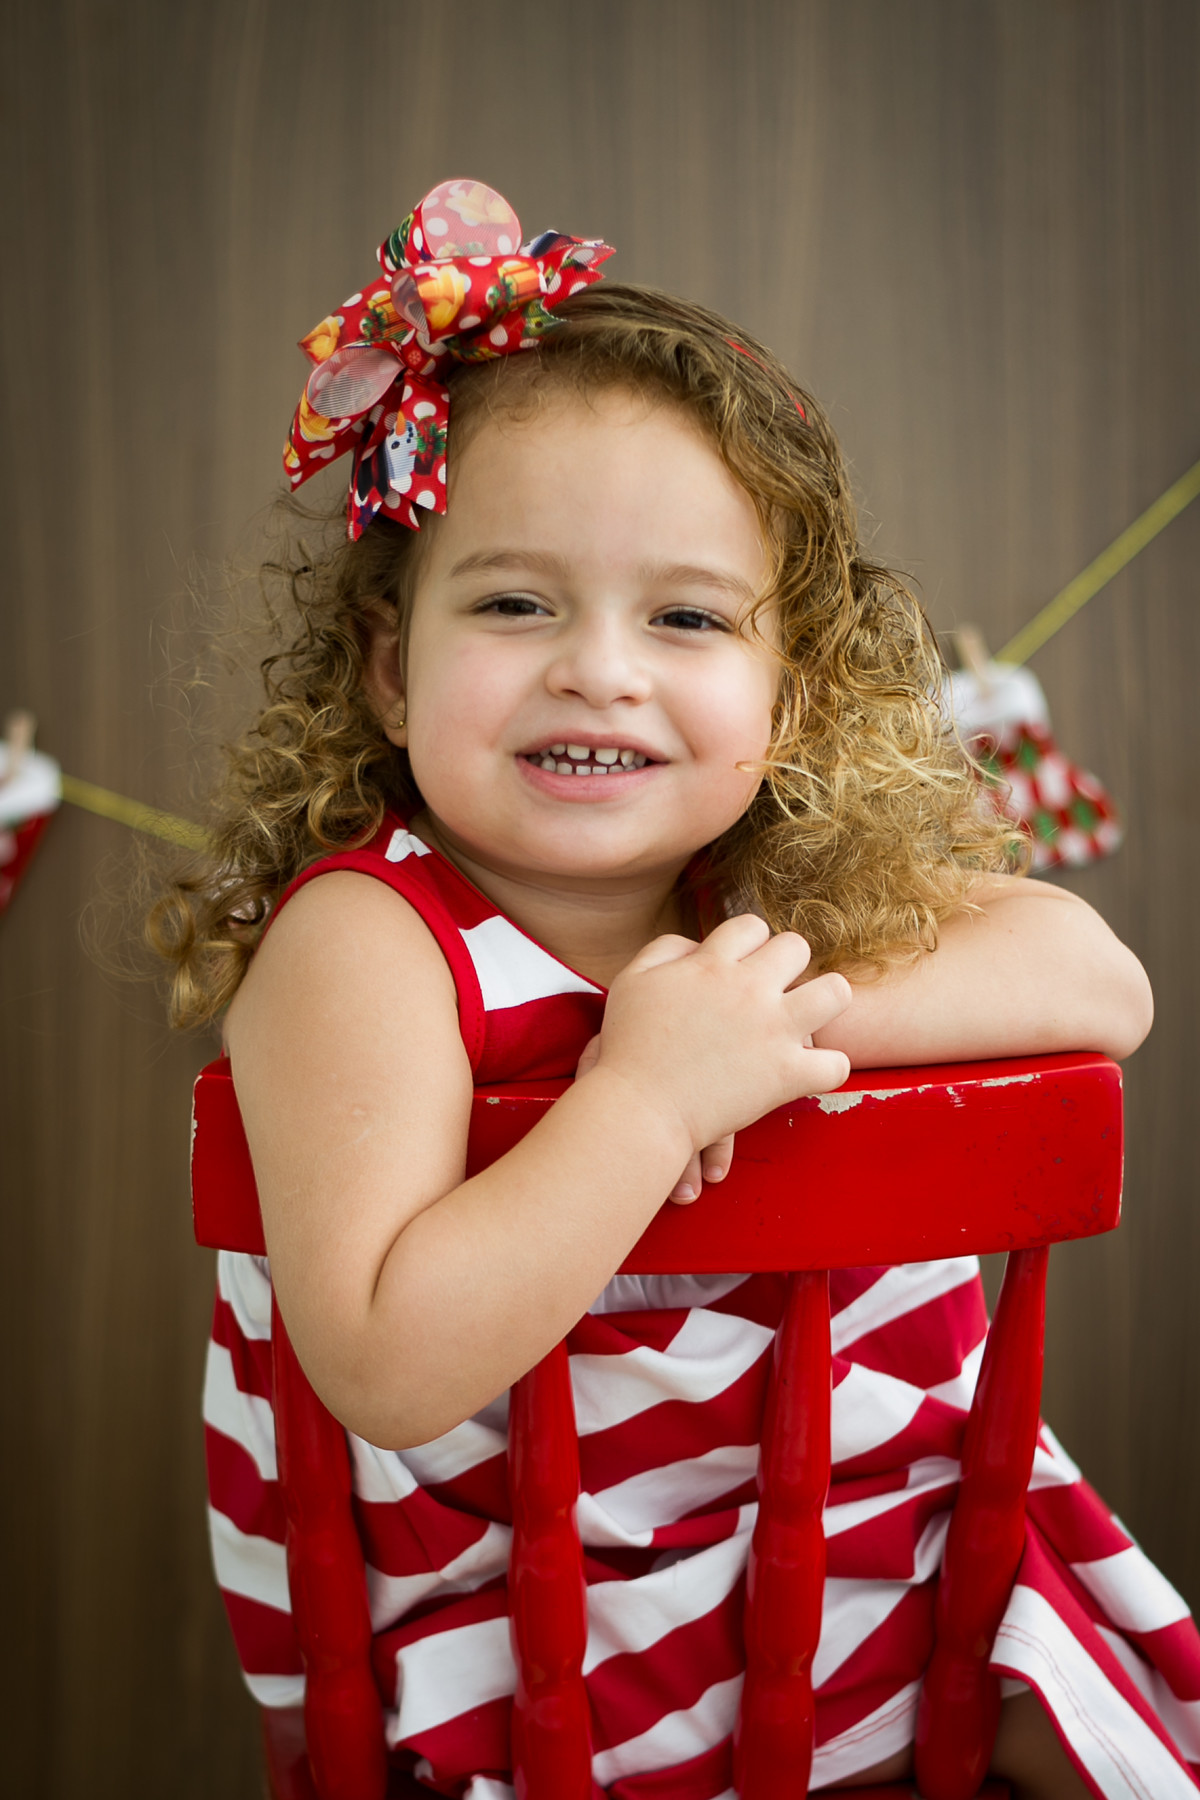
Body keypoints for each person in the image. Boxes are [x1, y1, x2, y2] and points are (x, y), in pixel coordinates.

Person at [154, 180, 1200, 1798]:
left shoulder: (768, 903)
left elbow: (1099, 980)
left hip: (874, 1570)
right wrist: (643, 1099)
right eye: (515, 602)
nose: (601, 667)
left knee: (1090, 1683)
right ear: (391, 666)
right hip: (549, 1648)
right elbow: (382, 1360)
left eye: (689, 618)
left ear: (788, 701)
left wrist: (747, 1030)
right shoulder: (362, 941)